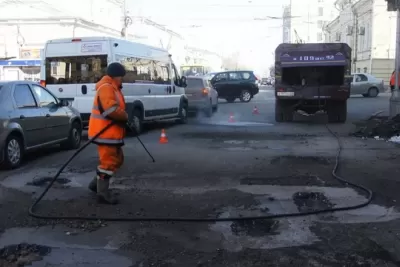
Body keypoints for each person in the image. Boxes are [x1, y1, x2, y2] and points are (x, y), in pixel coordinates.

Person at [87, 62, 128, 204]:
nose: (123, 80)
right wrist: (125, 116)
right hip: (105, 133)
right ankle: (102, 194)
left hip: (110, 133)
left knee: (117, 160)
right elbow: (110, 109)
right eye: (122, 77)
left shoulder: (113, 88)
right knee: (108, 163)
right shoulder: (106, 88)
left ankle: (96, 185)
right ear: (116, 76)